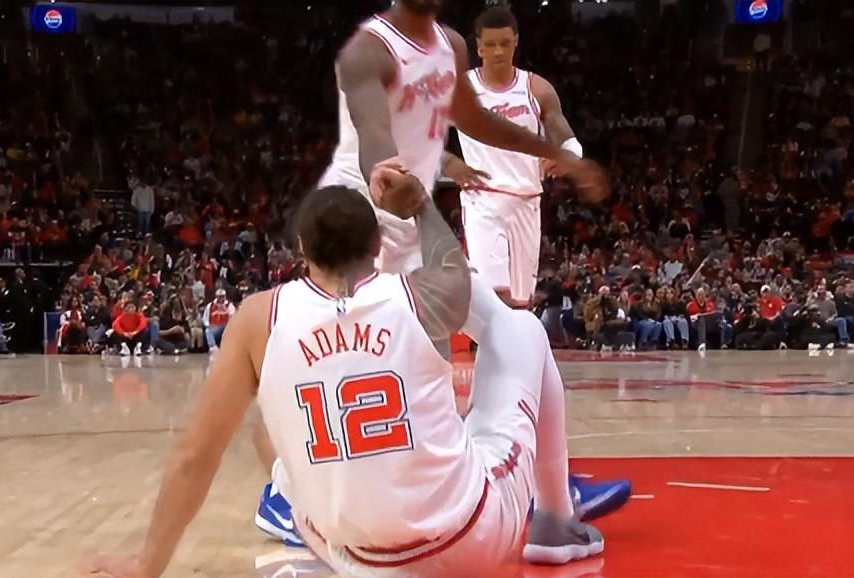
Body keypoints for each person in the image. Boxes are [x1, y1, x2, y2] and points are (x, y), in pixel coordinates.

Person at [88, 169, 603, 578]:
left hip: (354, 555)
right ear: (378, 244)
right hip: (465, 543)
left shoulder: (257, 318)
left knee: (268, 426)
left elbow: (195, 456)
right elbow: (454, 272)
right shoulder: (421, 294)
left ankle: (298, 516)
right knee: (520, 328)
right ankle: (555, 522)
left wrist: (147, 565)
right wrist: (420, 204)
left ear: (301, 248)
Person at [306, 0, 629, 527]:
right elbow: (373, 134)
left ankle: (548, 498)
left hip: (415, 217)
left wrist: (561, 157)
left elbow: (476, 120)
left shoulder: (450, 45)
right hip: (359, 220)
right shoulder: (369, 51)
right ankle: (291, 491)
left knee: (519, 331)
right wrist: (389, 173)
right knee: (360, 368)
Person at [446, 6, 584, 309]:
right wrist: (448, 163)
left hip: (527, 199)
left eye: (504, 43)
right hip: (483, 199)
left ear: (516, 42)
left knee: (522, 304)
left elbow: (564, 134)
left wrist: (569, 156)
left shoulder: (536, 88)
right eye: (491, 44)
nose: (498, 51)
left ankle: (516, 341)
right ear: (479, 47)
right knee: (494, 298)